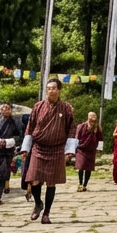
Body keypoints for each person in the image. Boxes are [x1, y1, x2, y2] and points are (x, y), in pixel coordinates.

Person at [24, 77, 75, 224]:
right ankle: (38, 204)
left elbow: (72, 128)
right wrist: (26, 147)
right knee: (33, 179)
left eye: (53, 88)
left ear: (59, 90)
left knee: (51, 183)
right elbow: (30, 126)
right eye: (48, 88)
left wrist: (69, 149)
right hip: (38, 148)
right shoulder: (38, 106)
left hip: (57, 149)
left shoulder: (66, 108)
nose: (51, 90)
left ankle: (46, 213)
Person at [70, 111, 102, 191]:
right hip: (82, 149)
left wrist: (99, 148)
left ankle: (85, 185)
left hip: (91, 150)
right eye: (91, 115)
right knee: (81, 166)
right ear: (88, 117)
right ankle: (80, 183)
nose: (93, 117)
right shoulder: (82, 126)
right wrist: (74, 148)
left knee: (88, 168)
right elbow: (77, 137)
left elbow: (100, 138)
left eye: (94, 115)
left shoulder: (97, 127)